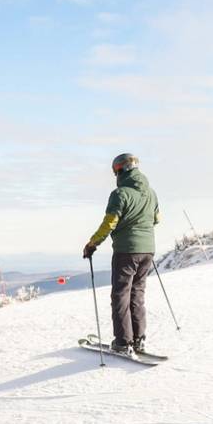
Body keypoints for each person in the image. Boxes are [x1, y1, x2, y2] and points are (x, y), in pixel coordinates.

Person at [81, 153, 160, 358]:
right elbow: (156, 219)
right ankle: (138, 339)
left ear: (119, 170)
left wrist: (92, 244)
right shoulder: (151, 193)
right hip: (148, 250)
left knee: (120, 295)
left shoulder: (120, 194)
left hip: (126, 250)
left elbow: (110, 223)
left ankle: (123, 343)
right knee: (137, 294)